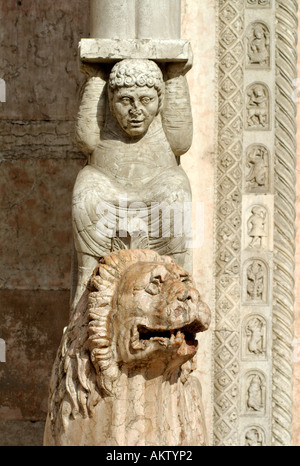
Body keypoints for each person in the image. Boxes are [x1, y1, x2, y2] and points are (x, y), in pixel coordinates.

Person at [71, 58, 193, 310]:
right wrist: (95, 80)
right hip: (107, 184)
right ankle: (86, 286)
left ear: (160, 101)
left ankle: (178, 282)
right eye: (125, 100)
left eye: (146, 100)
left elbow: (181, 142)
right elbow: (86, 140)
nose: (136, 110)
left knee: (178, 190)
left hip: (158, 185)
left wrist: (176, 77)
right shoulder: (106, 121)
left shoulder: (163, 125)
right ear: (111, 100)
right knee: (86, 189)